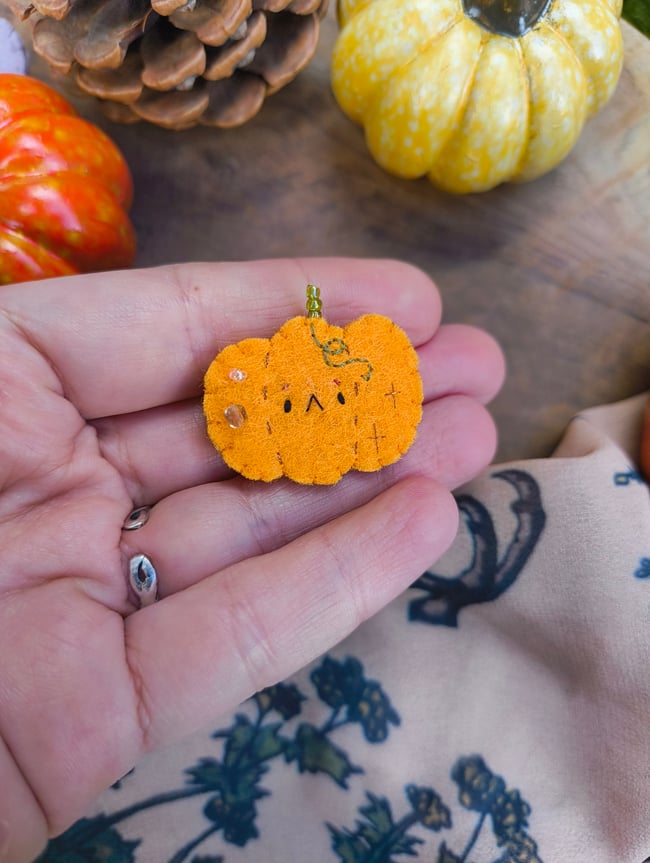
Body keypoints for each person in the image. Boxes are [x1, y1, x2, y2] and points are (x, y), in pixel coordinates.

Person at [0, 257, 505, 863]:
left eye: (337, 395)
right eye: (298, 404)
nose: (319, 402)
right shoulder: (254, 384)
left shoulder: (369, 371)